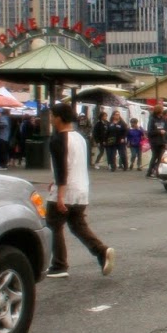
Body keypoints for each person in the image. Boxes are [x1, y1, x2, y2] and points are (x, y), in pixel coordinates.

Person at [46, 102, 115, 279]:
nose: (51, 119)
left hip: (66, 190)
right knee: (77, 225)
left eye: (52, 115)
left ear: (59, 118)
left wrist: (60, 195)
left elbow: (62, 168)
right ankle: (101, 251)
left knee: (53, 225)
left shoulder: (57, 139)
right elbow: (75, 163)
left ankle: (59, 264)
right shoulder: (79, 138)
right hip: (81, 188)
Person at [146, 109, 167, 178]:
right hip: (154, 141)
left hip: (162, 141)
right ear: (157, 113)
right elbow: (150, 132)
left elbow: (166, 130)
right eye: (160, 113)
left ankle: (157, 172)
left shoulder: (163, 120)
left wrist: (166, 141)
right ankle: (149, 172)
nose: (161, 114)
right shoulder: (152, 120)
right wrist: (159, 132)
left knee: (160, 157)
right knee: (154, 156)